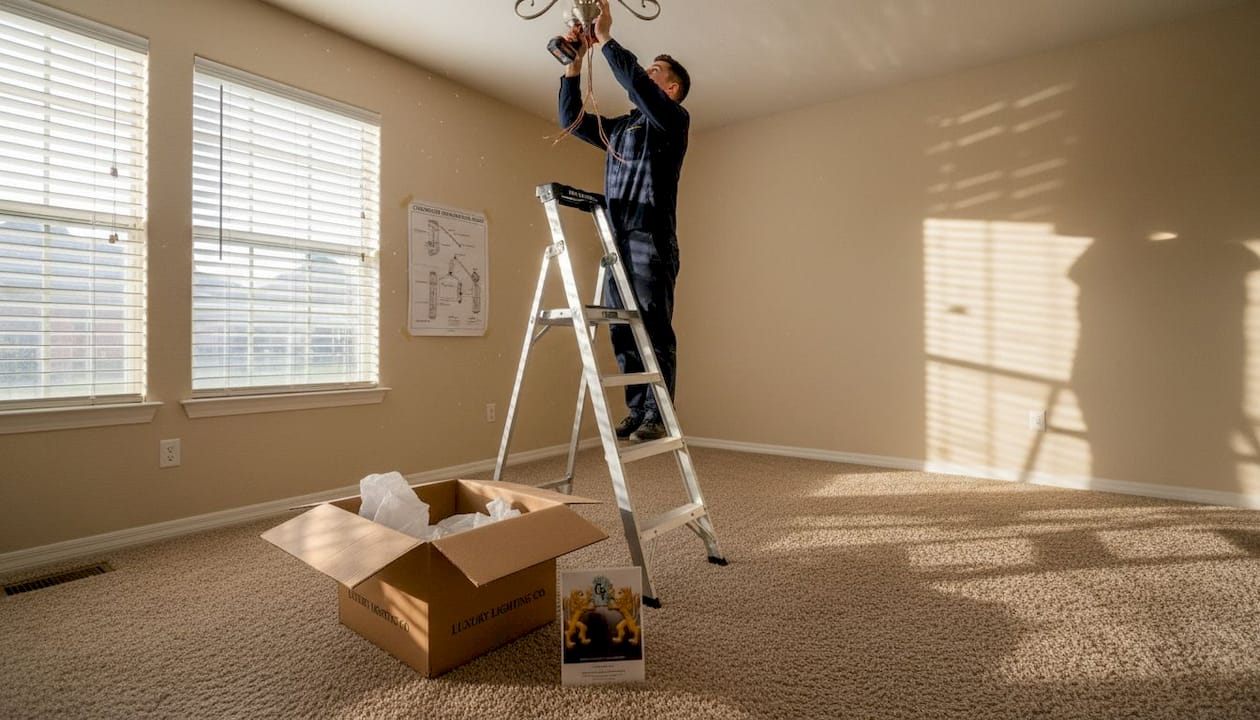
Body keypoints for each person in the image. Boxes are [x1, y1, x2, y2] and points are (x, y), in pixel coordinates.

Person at [557, 0, 691, 444]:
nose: (648, 73)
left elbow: (637, 86)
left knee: (653, 327)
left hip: (650, 241)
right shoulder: (620, 129)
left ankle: (660, 413)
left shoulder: (672, 120)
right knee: (621, 329)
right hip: (615, 241)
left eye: (657, 71)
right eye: (649, 68)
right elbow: (570, 121)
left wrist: (608, 39)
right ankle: (637, 409)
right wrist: (574, 65)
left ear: (670, 90)